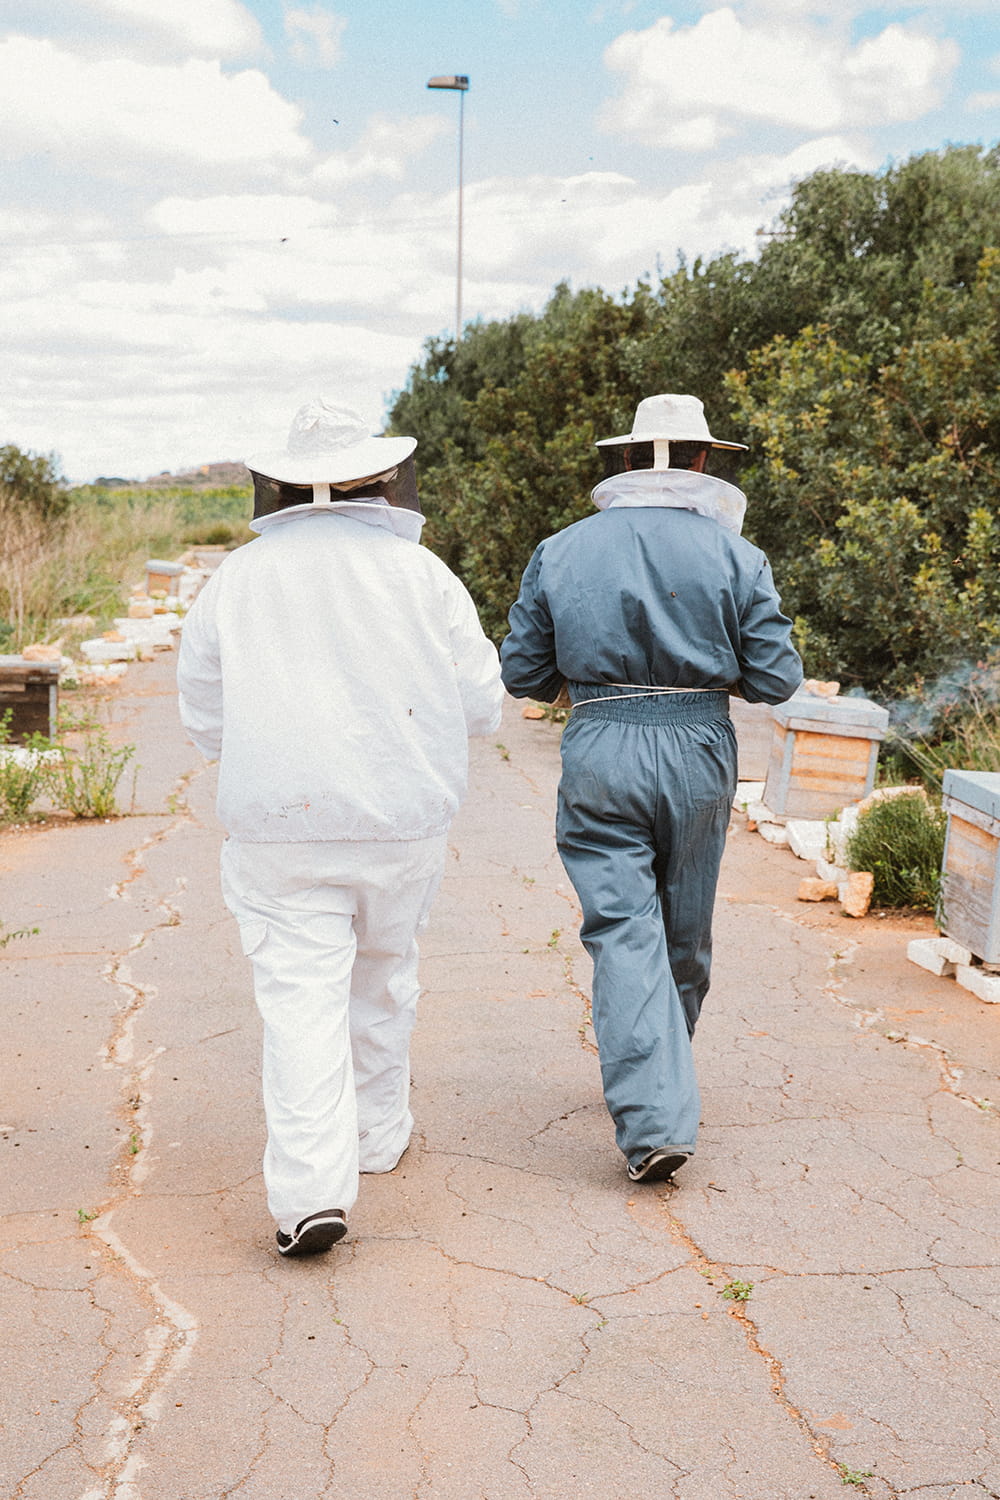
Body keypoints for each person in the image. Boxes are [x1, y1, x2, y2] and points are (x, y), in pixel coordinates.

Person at [177, 397, 503, 1256]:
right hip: (402, 821)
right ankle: (377, 1135)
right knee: (387, 974)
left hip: (279, 829)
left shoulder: (235, 580)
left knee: (299, 999)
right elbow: (481, 705)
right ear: (379, 476)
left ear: (278, 484)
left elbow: (203, 713)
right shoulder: (422, 575)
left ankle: (310, 1196)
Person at [499, 394, 803, 1185]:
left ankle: (654, 1093)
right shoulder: (738, 556)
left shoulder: (562, 549)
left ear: (627, 459)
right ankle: (659, 1103)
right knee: (683, 931)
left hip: (600, 741)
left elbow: (523, 673)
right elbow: (777, 678)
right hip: (700, 744)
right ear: (704, 460)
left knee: (621, 927)